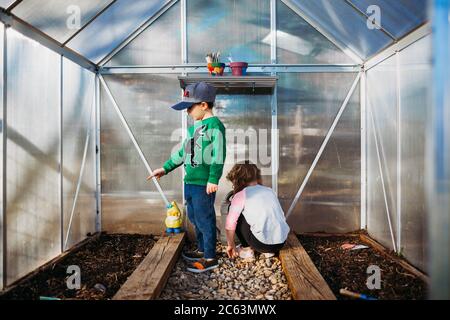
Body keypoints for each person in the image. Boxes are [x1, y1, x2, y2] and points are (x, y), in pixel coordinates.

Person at [148, 82, 226, 273]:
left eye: (189, 107)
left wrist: (213, 179)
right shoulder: (194, 129)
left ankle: (210, 257)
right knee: (193, 216)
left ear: (204, 105)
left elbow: (219, 154)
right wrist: (165, 168)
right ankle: (201, 249)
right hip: (189, 183)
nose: (187, 112)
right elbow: (183, 153)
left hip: (203, 184)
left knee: (204, 218)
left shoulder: (215, 126)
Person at [225, 161, 290, 260]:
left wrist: (230, 245)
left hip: (261, 244)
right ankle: (269, 252)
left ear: (238, 179)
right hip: (281, 242)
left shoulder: (241, 195)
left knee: (234, 214)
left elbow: (230, 223)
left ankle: (247, 250)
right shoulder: (269, 190)